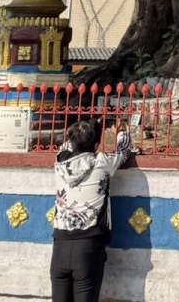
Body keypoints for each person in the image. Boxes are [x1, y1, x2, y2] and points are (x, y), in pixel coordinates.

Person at [50, 118, 133, 302]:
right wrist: (121, 132)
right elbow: (124, 150)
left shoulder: (59, 163)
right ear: (96, 144)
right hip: (87, 247)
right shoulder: (102, 163)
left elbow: (67, 144)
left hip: (60, 246)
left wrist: (88, 125)